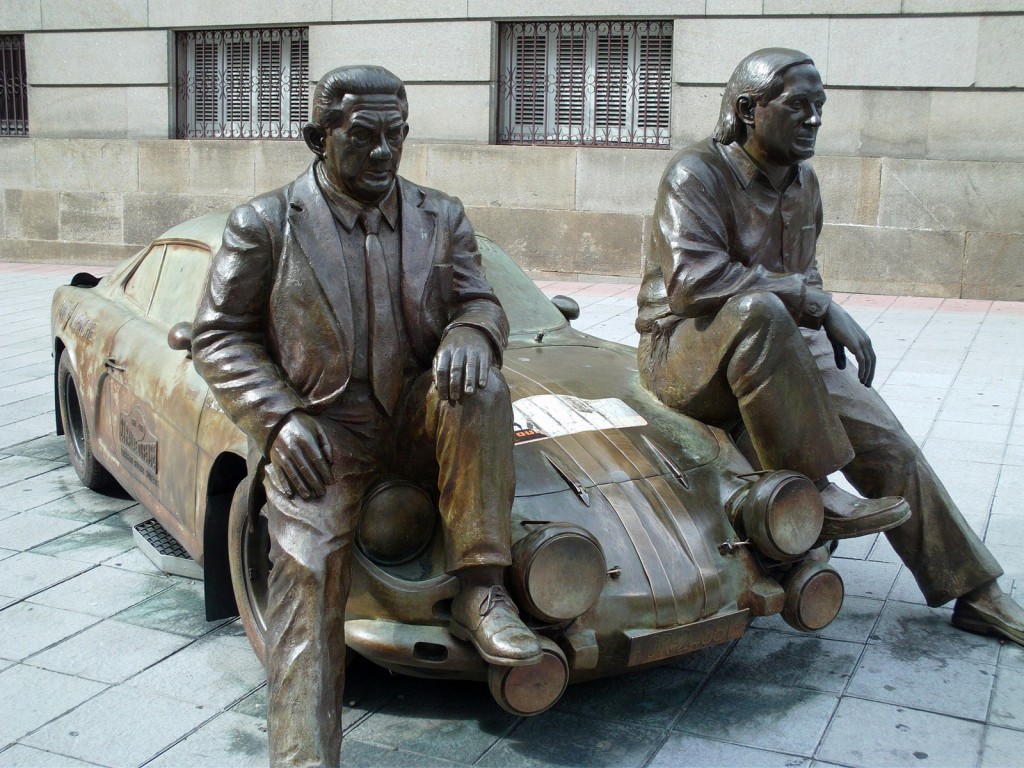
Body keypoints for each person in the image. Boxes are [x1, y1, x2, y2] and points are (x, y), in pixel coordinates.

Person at [192, 65, 541, 767]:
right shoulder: (263, 226)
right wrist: (280, 419)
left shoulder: (441, 215)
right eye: (363, 137)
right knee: (307, 584)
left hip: (416, 417)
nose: (384, 153)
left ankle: (482, 588)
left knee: (483, 391)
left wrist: (473, 332)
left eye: (396, 135)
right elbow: (217, 336)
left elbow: (481, 302)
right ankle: (304, 757)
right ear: (317, 138)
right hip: (323, 433)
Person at [636, 48, 1024, 646]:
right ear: (747, 110)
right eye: (798, 106)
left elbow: (802, 281)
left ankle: (974, 590)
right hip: (684, 352)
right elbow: (693, 285)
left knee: (885, 439)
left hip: (777, 340)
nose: (814, 119)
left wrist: (817, 342)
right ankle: (815, 488)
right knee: (759, 309)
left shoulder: (804, 181)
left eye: (820, 107)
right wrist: (816, 307)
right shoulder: (696, 174)